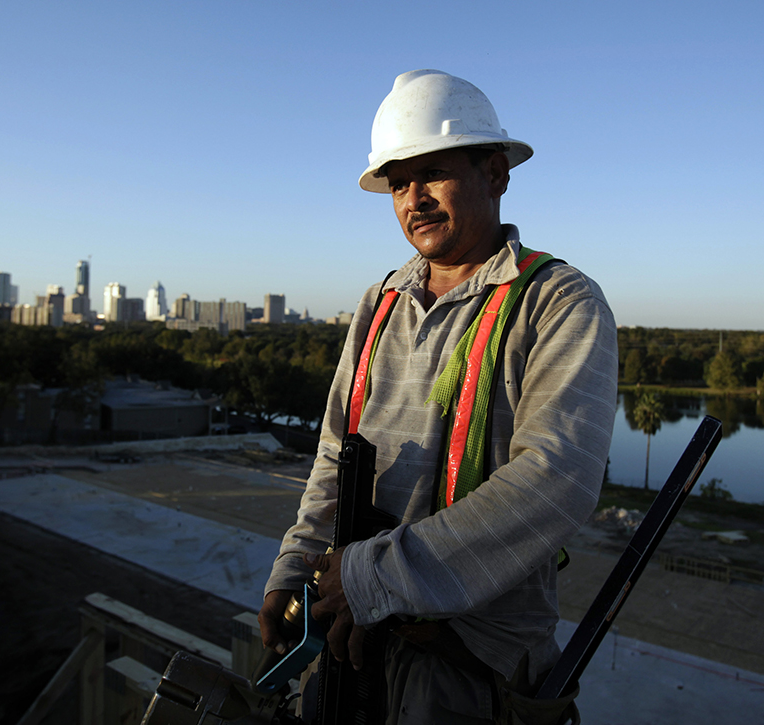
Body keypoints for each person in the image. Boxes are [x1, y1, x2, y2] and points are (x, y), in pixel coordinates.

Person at [258, 69, 618, 724]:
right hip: (352, 646)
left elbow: (555, 481)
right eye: (398, 182)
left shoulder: (558, 302)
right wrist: (293, 568)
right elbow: (336, 459)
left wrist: (371, 577)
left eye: (433, 174)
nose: (414, 198)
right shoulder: (380, 303)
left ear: (496, 173)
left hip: (471, 667)